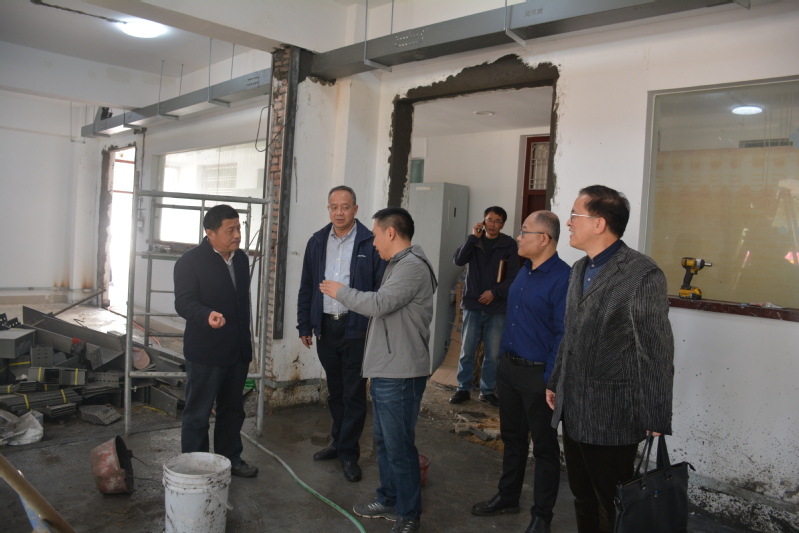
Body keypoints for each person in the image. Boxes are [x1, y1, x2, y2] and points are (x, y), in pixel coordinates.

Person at [546, 185, 674, 533]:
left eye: (575, 215)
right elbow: (571, 332)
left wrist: (656, 413)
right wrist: (556, 381)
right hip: (574, 407)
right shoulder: (579, 269)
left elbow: (656, 351)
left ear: (599, 223)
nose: (568, 223)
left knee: (613, 503)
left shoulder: (641, 274)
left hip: (613, 414)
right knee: (582, 496)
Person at [320, 207, 436, 533]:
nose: (373, 244)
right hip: (389, 367)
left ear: (391, 232)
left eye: (375, 236)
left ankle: (409, 514)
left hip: (401, 371)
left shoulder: (411, 266)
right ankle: (389, 498)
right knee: (385, 441)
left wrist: (340, 292)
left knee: (399, 446)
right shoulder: (398, 264)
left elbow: (378, 304)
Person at [471, 211, 570, 533]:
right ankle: (508, 496)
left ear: (544, 239)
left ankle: (542, 516)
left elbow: (563, 334)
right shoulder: (524, 271)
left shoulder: (563, 278)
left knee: (544, 448)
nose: (518, 237)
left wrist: (551, 380)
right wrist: (503, 363)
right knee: (512, 438)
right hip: (510, 369)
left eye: (525, 232)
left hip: (538, 376)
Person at [297, 185, 384, 483]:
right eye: (334, 207)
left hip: (356, 327)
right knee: (335, 391)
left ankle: (349, 453)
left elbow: (379, 290)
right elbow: (307, 285)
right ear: (328, 209)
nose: (339, 212)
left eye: (345, 207)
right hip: (326, 327)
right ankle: (338, 441)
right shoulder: (317, 241)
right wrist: (304, 325)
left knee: (354, 393)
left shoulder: (369, 242)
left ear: (355, 210)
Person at [174, 204, 258, 478]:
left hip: (237, 350)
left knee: (232, 410)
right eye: (230, 230)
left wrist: (245, 345)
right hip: (206, 352)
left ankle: (230, 459)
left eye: (239, 228)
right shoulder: (190, 262)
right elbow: (184, 302)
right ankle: (195, 468)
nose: (237, 235)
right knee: (198, 413)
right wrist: (206, 315)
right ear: (210, 233)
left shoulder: (241, 259)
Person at [449, 206, 519, 407]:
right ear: (483, 221)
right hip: (473, 304)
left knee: (493, 353)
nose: (492, 224)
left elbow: (513, 277)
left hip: (497, 306)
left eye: (497, 221)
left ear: (503, 224)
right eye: (489, 219)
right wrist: (472, 237)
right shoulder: (474, 241)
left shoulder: (508, 245)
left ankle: (487, 391)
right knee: (467, 350)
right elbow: (458, 260)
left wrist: (494, 293)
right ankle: (463, 388)